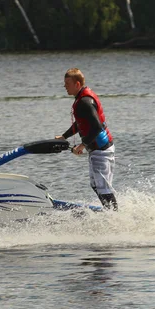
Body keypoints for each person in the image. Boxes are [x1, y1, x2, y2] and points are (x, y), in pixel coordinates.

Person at [55, 68, 118, 211]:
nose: (65, 87)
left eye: (67, 84)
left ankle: (114, 216)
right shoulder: (81, 99)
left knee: (103, 187)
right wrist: (64, 136)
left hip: (101, 150)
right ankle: (110, 211)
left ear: (77, 84)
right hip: (97, 149)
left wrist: (82, 145)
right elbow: (80, 123)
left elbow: (97, 127)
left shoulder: (85, 102)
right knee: (96, 185)